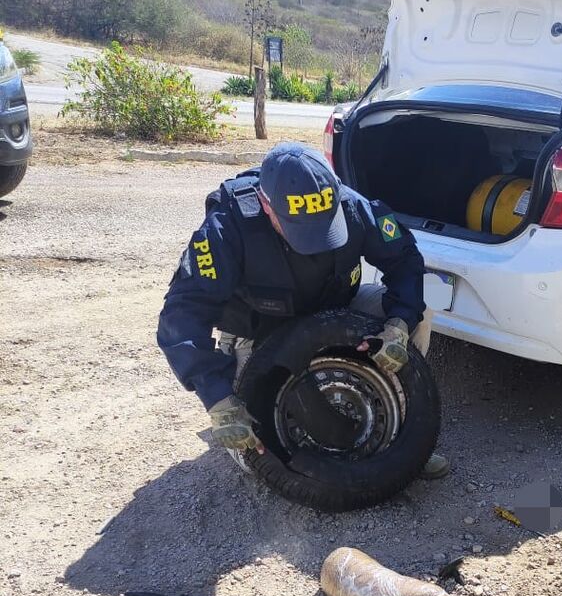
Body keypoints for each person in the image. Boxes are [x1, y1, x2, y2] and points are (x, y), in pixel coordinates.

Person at [157, 142, 449, 479]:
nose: (318, 242)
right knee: (257, 460)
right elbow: (181, 316)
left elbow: (404, 259)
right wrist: (217, 399)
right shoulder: (228, 228)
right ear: (267, 206)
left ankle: (403, 439)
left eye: (326, 225)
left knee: (420, 317)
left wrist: (399, 324)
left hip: (333, 307)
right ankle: (245, 386)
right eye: (303, 231)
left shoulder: (353, 205)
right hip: (260, 330)